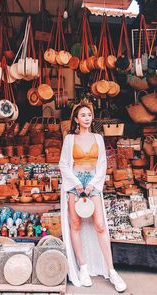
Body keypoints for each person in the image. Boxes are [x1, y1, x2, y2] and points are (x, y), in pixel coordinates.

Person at [59, 103, 127, 292]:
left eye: (89, 114)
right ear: (76, 119)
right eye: (83, 115)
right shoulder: (70, 139)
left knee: (100, 225)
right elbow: (64, 164)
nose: (87, 118)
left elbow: (103, 164)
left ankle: (111, 270)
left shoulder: (98, 138)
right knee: (76, 224)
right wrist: (77, 184)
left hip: (93, 184)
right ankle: (83, 268)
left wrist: (92, 184)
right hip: (75, 184)